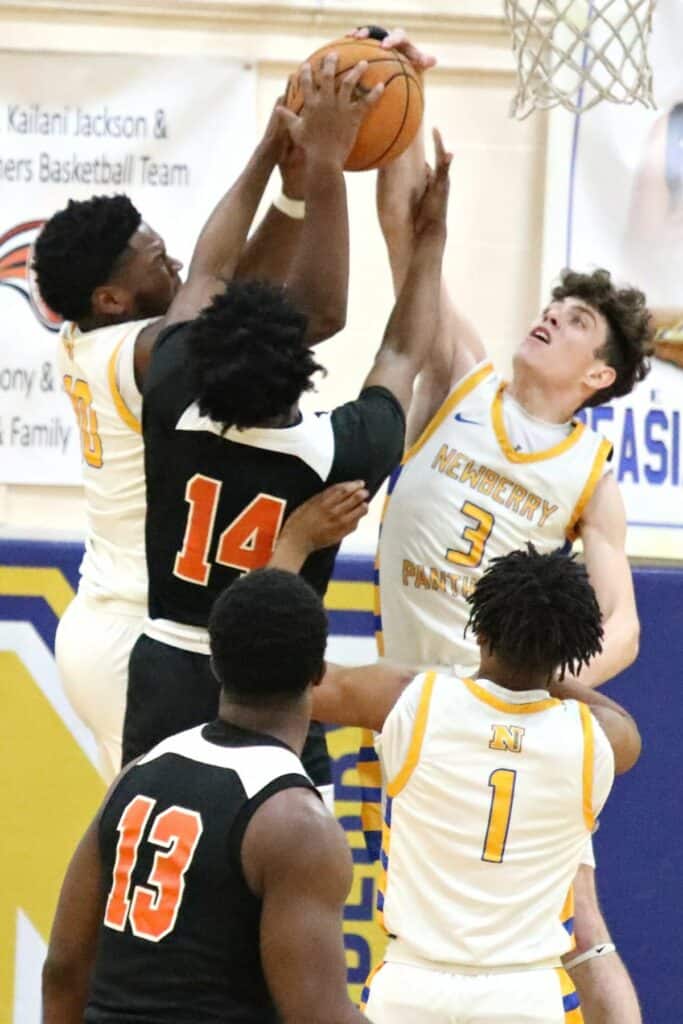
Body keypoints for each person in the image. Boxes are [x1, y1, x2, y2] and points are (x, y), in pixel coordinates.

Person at [350, 24, 652, 1024]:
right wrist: (402, 109)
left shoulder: (588, 474)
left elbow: (625, 623)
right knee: (427, 930)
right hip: (422, 706)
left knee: (576, 923)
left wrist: (546, 677)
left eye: (574, 324)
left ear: (597, 376)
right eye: (552, 307)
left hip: (508, 715)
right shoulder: (460, 376)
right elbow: (409, 241)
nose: (550, 319)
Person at [31, 54, 375, 780]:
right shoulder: (143, 352)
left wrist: (283, 197)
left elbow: (223, 286)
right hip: (141, 632)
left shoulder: (87, 339)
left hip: (109, 622)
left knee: (149, 847)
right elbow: (272, 301)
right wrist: (313, 166)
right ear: (113, 298)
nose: (175, 262)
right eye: (154, 259)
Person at [122, 123, 453, 792]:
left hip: (164, 661)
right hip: (271, 688)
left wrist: (269, 155)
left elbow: (211, 270)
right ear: (305, 367)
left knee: (149, 862)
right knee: (285, 863)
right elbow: (401, 354)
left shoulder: (170, 392)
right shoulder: (338, 452)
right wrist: (429, 241)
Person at [311, 545, 642, 1023]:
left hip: (412, 987)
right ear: (571, 652)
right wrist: (548, 667)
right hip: (526, 995)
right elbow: (623, 721)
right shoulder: (598, 739)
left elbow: (305, 686)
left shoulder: (412, 700)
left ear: (480, 630)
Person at [42, 568, 375, 1024]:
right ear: (318, 674)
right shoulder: (297, 823)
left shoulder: (139, 773)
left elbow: (63, 967)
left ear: (215, 663)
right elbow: (317, 1016)